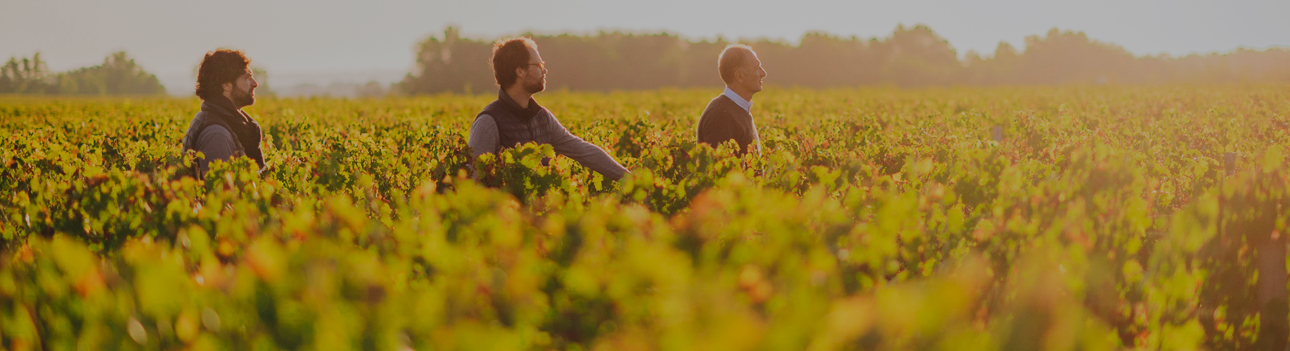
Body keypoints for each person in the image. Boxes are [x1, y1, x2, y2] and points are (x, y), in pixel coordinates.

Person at [468, 37, 629, 181]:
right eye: (538, 65)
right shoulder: (488, 122)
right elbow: (475, 183)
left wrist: (629, 179)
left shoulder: (543, 117)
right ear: (520, 71)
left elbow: (584, 151)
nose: (544, 70)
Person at [181, 49, 265, 178]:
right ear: (226, 86)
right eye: (247, 77)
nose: (255, 83)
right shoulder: (216, 134)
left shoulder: (225, 122)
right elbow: (219, 194)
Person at [696, 44, 767, 156]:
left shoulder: (739, 109)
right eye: (756, 67)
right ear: (739, 76)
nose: (763, 73)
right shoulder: (720, 116)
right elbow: (719, 170)